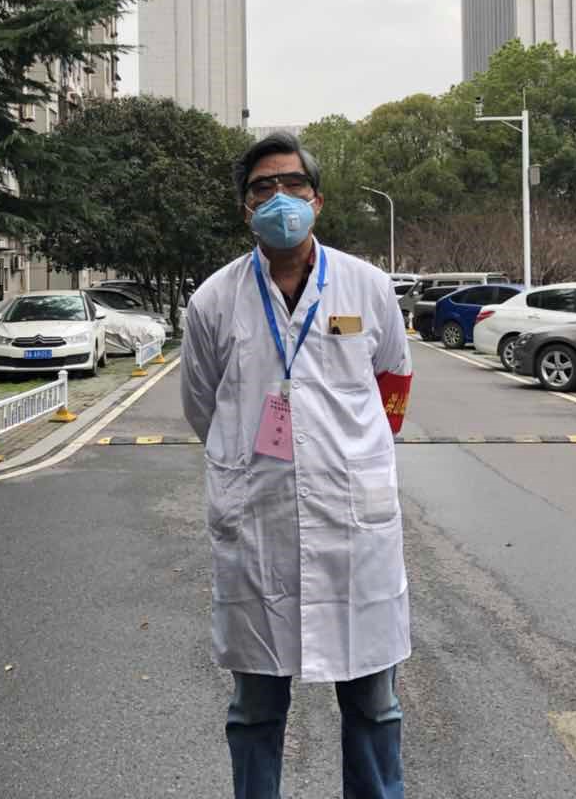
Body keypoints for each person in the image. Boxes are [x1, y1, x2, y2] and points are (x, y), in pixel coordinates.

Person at [181, 132, 415, 799]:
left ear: (317, 200)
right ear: (245, 208)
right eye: (263, 188)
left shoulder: (367, 286)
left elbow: (393, 384)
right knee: (255, 709)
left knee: (374, 705)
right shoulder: (214, 300)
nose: (279, 197)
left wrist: (354, 454)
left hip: (353, 524)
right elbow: (203, 407)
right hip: (259, 520)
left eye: (292, 184)